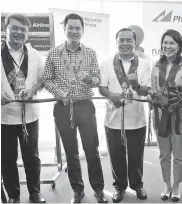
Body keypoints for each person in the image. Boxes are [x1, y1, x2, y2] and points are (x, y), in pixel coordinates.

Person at [43, 13, 107, 203]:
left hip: (85, 106)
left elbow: (97, 79)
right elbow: (46, 79)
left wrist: (91, 79)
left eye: (77, 28)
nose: (74, 31)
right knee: (70, 152)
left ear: (83, 31)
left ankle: (98, 189)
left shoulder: (91, 53)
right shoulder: (54, 53)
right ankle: (78, 191)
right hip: (63, 108)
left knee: (92, 150)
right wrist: (59, 93)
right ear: (64, 30)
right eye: (70, 27)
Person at [99, 28, 150, 203]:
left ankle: (137, 185)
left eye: (129, 40)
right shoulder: (106, 62)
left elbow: (146, 90)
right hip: (113, 118)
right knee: (116, 155)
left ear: (135, 43)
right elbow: (102, 87)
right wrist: (112, 96)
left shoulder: (144, 63)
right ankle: (119, 187)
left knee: (136, 156)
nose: (125, 43)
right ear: (116, 41)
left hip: (136, 119)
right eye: (122, 40)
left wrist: (136, 86)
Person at [1, 13, 46, 203]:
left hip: (30, 116)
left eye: (23, 29)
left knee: (32, 157)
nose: (19, 32)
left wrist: (33, 89)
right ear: (5, 29)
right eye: (15, 28)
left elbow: (44, 79)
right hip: (4, 117)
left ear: (28, 33)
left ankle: (35, 192)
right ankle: (13, 195)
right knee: (7, 158)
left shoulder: (34, 54)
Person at [150, 29, 182, 202]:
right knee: (164, 154)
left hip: (179, 115)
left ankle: (176, 186)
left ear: (179, 46)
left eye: (172, 43)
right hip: (160, 115)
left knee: (178, 154)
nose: (167, 46)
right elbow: (153, 88)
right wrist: (153, 96)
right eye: (165, 42)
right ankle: (167, 185)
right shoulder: (156, 65)